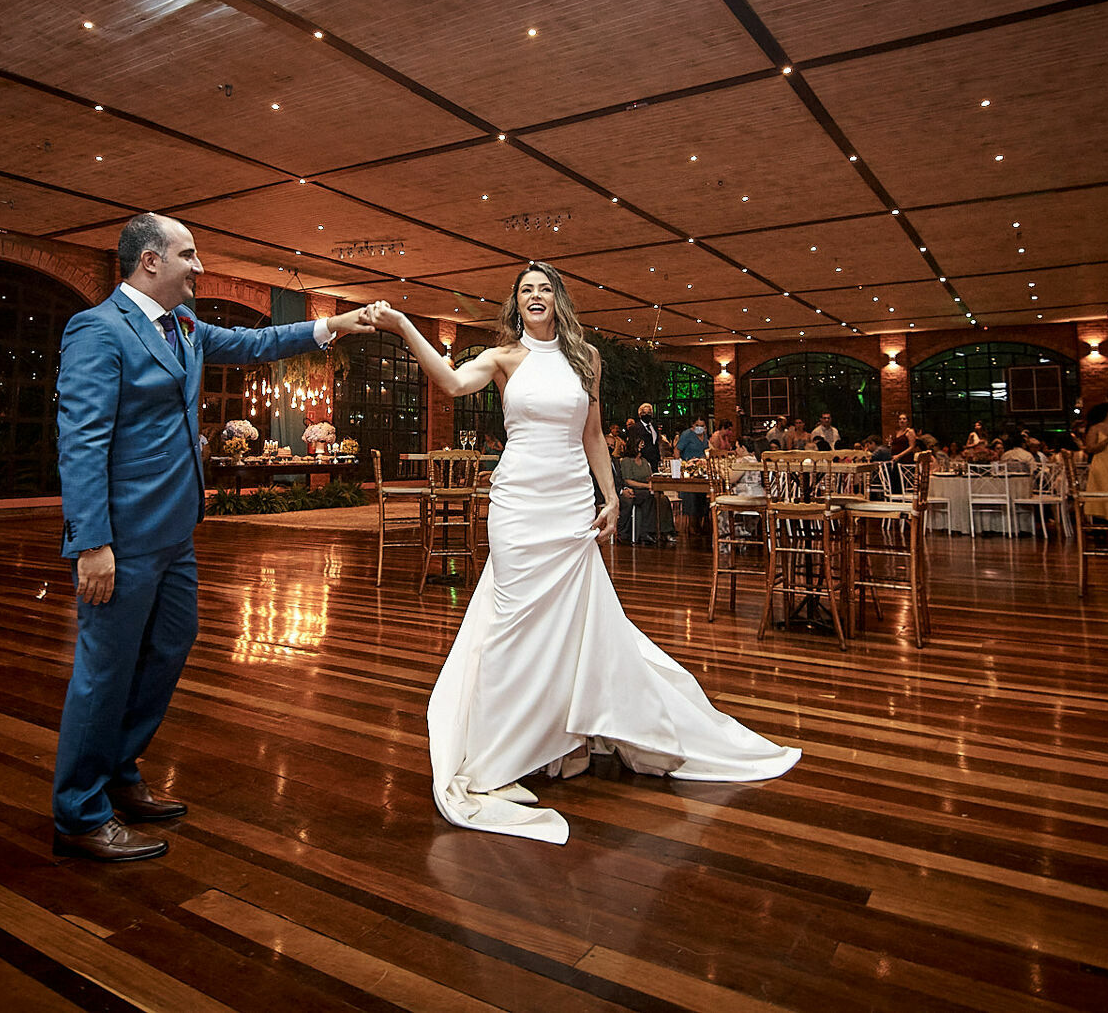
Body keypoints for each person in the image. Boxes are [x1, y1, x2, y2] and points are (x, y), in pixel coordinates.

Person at [368, 261, 798, 844]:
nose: (535, 296)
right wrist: (402, 325)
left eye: (544, 288)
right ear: (516, 303)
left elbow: (593, 435)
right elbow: (449, 381)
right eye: (526, 290)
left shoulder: (586, 358)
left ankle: (564, 738)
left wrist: (612, 496)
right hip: (518, 506)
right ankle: (500, 753)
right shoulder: (502, 358)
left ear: (559, 299)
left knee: (571, 624)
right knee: (511, 625)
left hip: (571, 505)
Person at [51, 212, 382, 861]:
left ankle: (118, 771)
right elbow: (81, 441)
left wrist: (332, 326)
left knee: (170, 646)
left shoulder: (184, 326)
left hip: (177, 533)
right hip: (122, 538)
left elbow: (257, 344)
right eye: (188, 255)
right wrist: (91, 543)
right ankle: (80, 815)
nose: (199, 267)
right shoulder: (97, 330)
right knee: (105, 671)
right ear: (150, 261)